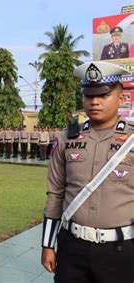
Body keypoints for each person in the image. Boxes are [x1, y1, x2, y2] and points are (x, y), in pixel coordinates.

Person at [41, 61, 134, 282]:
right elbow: (55, 194)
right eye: (89, 95)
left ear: (121, 99)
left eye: (103, 95)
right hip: (72, 247)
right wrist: (47, 244)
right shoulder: (67, 138)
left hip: (119, 251)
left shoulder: (131, 139)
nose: (94, 102)